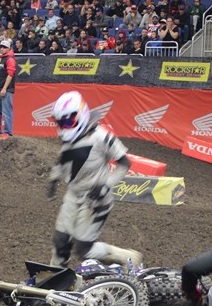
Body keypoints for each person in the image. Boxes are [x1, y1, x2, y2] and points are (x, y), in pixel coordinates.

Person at [46, 91, 143, 269]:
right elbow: (64, 160)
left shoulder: (101, 136)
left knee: (84, 250)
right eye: (61, 122)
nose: (65, 126)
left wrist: (106, 186)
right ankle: (54, 275)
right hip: (73, 195)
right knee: (60, 241)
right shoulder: (68, 140)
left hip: (95, 200)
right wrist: (54, 178)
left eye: (68, 121)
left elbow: (124, 162)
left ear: (81, 114)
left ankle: (128, 257)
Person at [0, 38, 16, 140]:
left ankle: (8, 132)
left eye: (4, 47)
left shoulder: (10, 59)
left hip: (6, 89)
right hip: (0, 89)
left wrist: (5, 88)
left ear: (9, 48)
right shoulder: (3, 58)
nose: (2, 49)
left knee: (7, 111)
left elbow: (10, 74)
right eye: (1, 47)